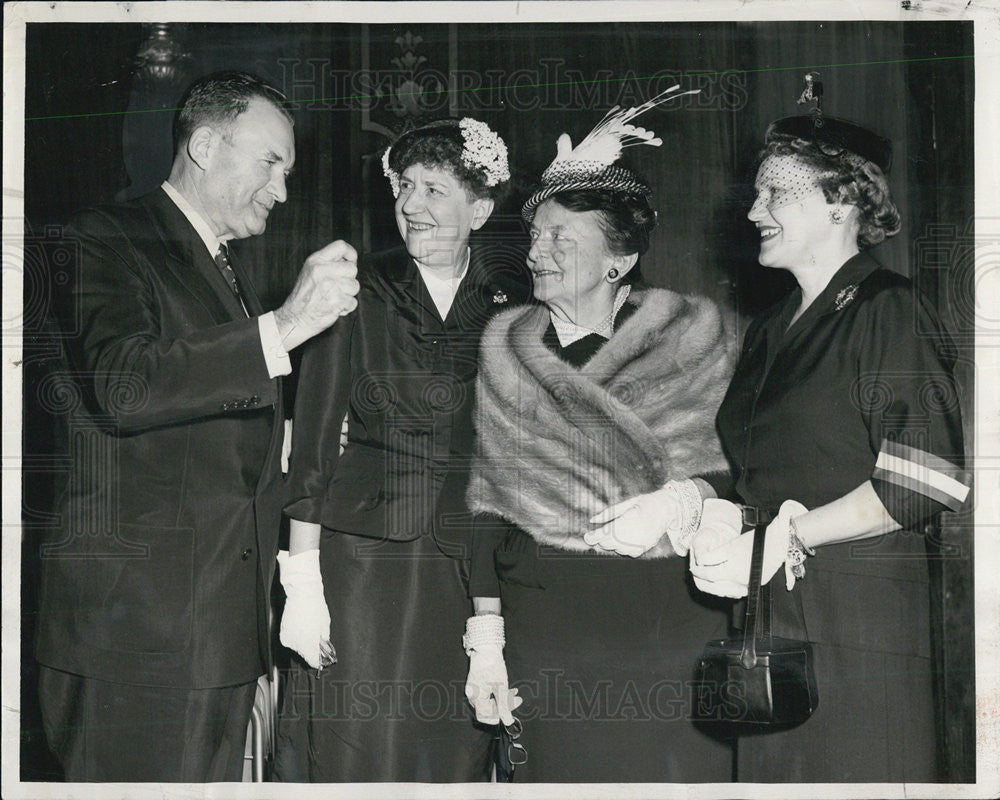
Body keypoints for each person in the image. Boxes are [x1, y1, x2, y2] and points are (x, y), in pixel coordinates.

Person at [613, 100, 970, 780]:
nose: (753, 211)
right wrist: (687, 499)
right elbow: (753, 470)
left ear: (841, 200)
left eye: (775, 191)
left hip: (857, 621)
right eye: (757, 193)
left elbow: (927, 479)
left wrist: (792, 536)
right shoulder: (773, 326)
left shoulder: (885, 307)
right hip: (767, 619)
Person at [34, 71, 360, 783]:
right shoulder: (107, 237)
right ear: (207, 145)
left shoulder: (223, 268)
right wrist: (289, 323)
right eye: (271, 163)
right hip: (137, 642)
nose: (281, 189)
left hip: (214, 636)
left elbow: (207, 431)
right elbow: (125, 383)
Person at [463, 93, 737, 782]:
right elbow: (482, 504)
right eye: (535, 236)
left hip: (668, 621)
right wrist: (487, 638)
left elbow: (743, 471)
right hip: (549, 626)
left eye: (561, 238)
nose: (536, 253)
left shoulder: (695, 335)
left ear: (619, 261)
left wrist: (684, 498)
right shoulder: (505, 345)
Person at [275, 118, 532, 782]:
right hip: (362, 563)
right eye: (405, 187)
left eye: (435, 190)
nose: (412, 205)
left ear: (479, 208)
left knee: (447, 751)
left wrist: (490, 626)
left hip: (463, 566)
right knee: (355, 747)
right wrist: (302, 583)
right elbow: (312, 440)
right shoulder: (353, 286)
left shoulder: (512, 305)